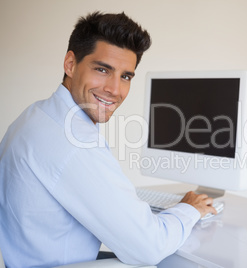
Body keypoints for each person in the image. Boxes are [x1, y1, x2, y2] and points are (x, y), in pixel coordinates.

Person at [0, 11, 216, 267]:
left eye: (125, 76)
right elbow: (149, 247)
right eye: (102, 69)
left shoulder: (37, 114)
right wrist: (190, 209)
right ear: (70, 64)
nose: (115, 89)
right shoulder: (75, 142)